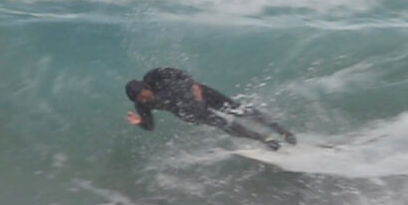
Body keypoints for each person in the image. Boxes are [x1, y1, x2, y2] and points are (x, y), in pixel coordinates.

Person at [125, 67, 296, 150]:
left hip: (201, 93)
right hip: (189, 112)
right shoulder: (142, 104)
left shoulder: (153, 76)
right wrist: (140, 121)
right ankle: (264, 139)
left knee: (238, 110)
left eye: (143, 94)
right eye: (140, 99)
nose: (144, 99)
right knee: (225, 125)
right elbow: (150, 126)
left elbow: (179, 73)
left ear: (145, 86)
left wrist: (192, 85)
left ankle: (282, 131)